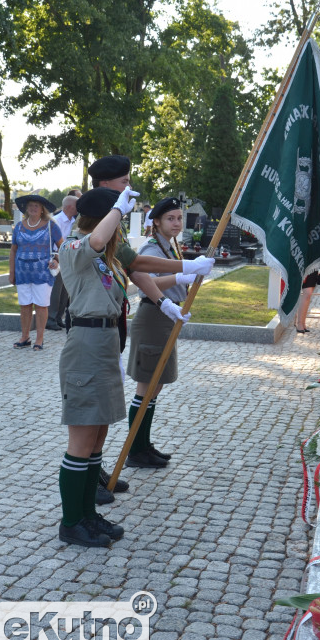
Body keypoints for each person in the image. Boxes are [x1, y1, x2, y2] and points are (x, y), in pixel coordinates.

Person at [87, 156, 214, 497]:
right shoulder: (90, 228)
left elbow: (131, 266)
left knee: (103, 412)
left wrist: (165, 300)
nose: (129, 188)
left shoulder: (111, 227)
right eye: (123, 182)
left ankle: (96, 472)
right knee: (92, 413)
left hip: (110, 327)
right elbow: (137, 262)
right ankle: (89, 480)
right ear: (106, 185)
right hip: (89, 329)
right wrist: (184, 268)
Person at [58, 186, 141, 547]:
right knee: (81, 439)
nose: (119, 232)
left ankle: (89, 514)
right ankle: (71, 521)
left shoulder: (105, 259)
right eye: (116, 220)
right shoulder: (73, 247)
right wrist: (118, 210)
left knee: (95, 439)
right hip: (86, 346)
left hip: (106, 344)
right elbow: (97, 239)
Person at [125, 197, 193, 468]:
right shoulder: (152, 248)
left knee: (156, 386)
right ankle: (135, 451)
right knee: (146, 387)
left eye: (179, 218)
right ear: (156, 222)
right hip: (153, 316)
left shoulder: (170, 245)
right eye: (170, 219)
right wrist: (181, 276)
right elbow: (147, 281)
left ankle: (143, 444)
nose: (177, 223)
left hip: (165, 317)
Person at [10, 194, 63, 350]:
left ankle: (39, 339)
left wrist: (57, 260)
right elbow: (13, 251)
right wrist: (11, 272)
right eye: (30, 205)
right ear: (26, 208)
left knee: (41, 306)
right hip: (22, 273)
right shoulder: (19, 226)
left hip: (43, 274)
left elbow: (63, 247)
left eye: (36, 206)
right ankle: (25, 337)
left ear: (42, 210)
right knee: (24, 306)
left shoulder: (51, 226)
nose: (33, 208)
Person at [46, 195, 79, 330]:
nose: (78, 209)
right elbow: (53, 241)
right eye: (77, 206)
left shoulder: (73, 221)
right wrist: (57, 258)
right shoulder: (56, 221)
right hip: (57, 258)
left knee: (65, 291)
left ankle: (59, 318)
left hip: (68, 257)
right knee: (56, 291)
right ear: (69, 207)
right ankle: (51, 319)